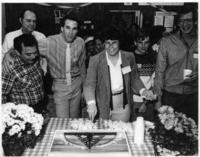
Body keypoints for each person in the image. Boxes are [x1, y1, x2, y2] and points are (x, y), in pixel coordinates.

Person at [3, 12, 86, 118]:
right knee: (63, 121)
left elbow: (82, 65)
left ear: (77, 30)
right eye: (67, 28)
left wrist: (84, 88)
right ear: (61, 28)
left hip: (77, 85)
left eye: (74, 29)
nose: (70, 32)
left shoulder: (80, 42)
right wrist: (8, 54)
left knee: (75, 119)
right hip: (60, 86)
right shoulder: (49, 42)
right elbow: (26, 46)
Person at [84, 30, 156, 122]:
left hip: (122, 105)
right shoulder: (95, 60)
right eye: (107, 43)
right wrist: (91, 103)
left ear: (119, 43)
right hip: (102, 105)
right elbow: (89, 84)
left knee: (121, 133)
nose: (111, 47)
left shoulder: (129, 57)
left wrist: (143, 91)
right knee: (104, 135)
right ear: (104, 44)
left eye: (114, 43)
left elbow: (134, 78)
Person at [154, 5, 198, 122]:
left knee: (192, 134)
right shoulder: (167, 41)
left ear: (195, 21)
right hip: (171, 95)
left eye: (188, 20)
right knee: (169, 133)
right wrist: (158, 99)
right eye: (181, 21)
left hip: (194, 95)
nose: (185, 24)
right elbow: (159, 71)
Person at [2, 34, 45, 113]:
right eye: (28, 54)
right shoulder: (10, 67)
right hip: (22, 112)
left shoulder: (36, 58)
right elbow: (2, 94)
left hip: (41, 106)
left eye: (35, 52)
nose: (33, 57)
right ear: (18, 52)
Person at [132, 28, 157, 122]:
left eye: (146, 42)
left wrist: (145, 103)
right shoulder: (129, 58)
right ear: (135, 43)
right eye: (140, 42)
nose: (143, 46)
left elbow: (155, 83)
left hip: (148, 102)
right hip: (131, 102)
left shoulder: (153, 59)